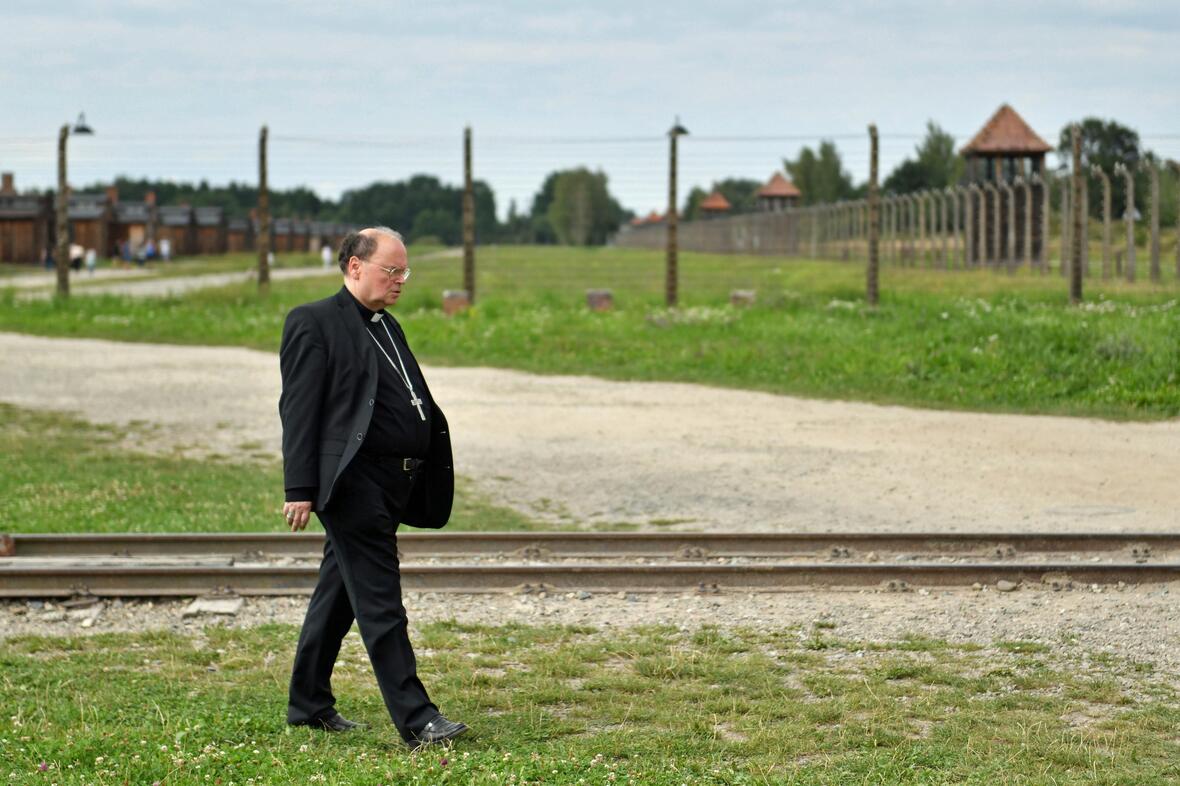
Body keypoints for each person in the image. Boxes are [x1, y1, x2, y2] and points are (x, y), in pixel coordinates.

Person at [279, 226, 467, 749]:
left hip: (394, 482)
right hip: (352, 482)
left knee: (337, 596)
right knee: (382, 604)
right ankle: (417, 719)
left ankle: (308, 704)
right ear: (355, 266)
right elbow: (297, 411)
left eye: (405, 271)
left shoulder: (387, 325)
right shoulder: (313, 321)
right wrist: (300, 486)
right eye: (392, 270)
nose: (401, 280)